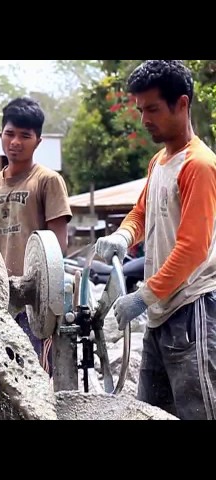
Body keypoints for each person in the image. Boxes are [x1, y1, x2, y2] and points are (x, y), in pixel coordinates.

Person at [95, 60, 216, 420]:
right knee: (149, 412)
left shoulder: (199, 165)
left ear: (182, 104)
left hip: (192, 312)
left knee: (199, 411)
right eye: (140, 110)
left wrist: (143, 297)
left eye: (153, 109)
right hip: (162, 314)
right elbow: (141, 212)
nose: (145, 119)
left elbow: (193, 248)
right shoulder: (160, 162)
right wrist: (123, 235)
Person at [0, 97, 72, 392]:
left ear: (38, 141)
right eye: (10, 134)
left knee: (29, 383)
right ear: (1, 136)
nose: (15, 142)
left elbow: (58, 244)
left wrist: (44, 291)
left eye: (24, 136)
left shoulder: (47, 181)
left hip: (36, 306)